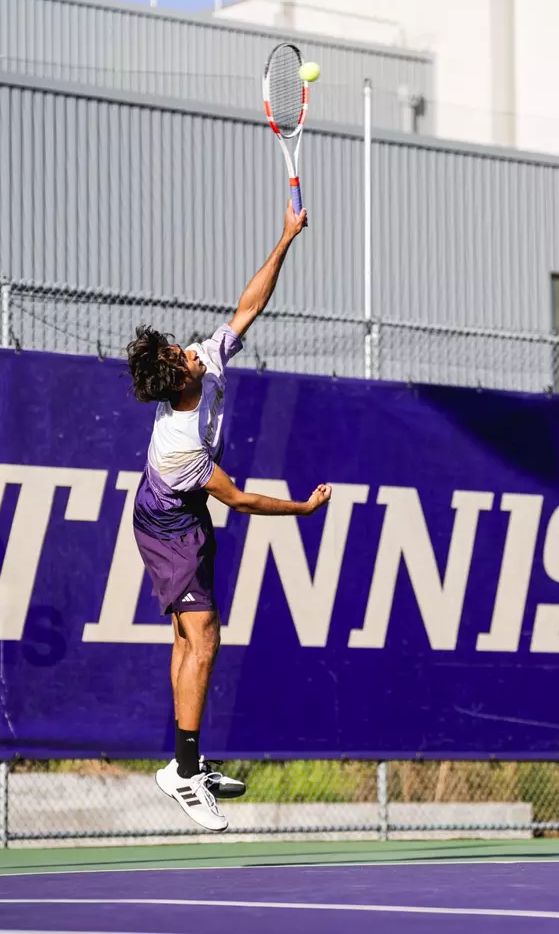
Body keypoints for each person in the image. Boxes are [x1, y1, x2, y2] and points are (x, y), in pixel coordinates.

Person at [126, 200, 332, 832]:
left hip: (182, 518)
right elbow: (239, 499)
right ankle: (187, 774)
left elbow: (248, 306)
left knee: (187, 638)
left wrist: (285, 238)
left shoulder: (204, 361)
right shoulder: (181, 443)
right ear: (180, 385)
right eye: (182, 357)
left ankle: (182, 764)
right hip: (166, 524)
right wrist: (302, 508)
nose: (191, 350)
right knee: (206, 637)